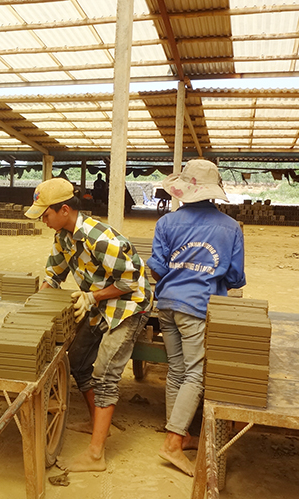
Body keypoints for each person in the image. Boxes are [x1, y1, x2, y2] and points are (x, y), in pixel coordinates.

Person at [25, 177, 152, 473]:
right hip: (98, 303)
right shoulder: (63, 237)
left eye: (46, 215)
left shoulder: (100, 238)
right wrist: (34, 305)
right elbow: (52, 276)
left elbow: (130, 281)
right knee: (78, 361)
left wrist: (91, 296)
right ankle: (99, 424)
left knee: (104, 373)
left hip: (128, 307)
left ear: (65, 210)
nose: (43, 220)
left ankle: (96, 455)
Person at [146, 159, 246, 476]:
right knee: (196, 374)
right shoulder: (229, 228)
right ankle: (174, 442)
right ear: (214, 193)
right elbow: (235, 277)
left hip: (166, 304)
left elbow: (157, 269)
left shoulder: (166, 223)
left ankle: (179, 432)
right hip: (198, 308)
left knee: (177, 370)